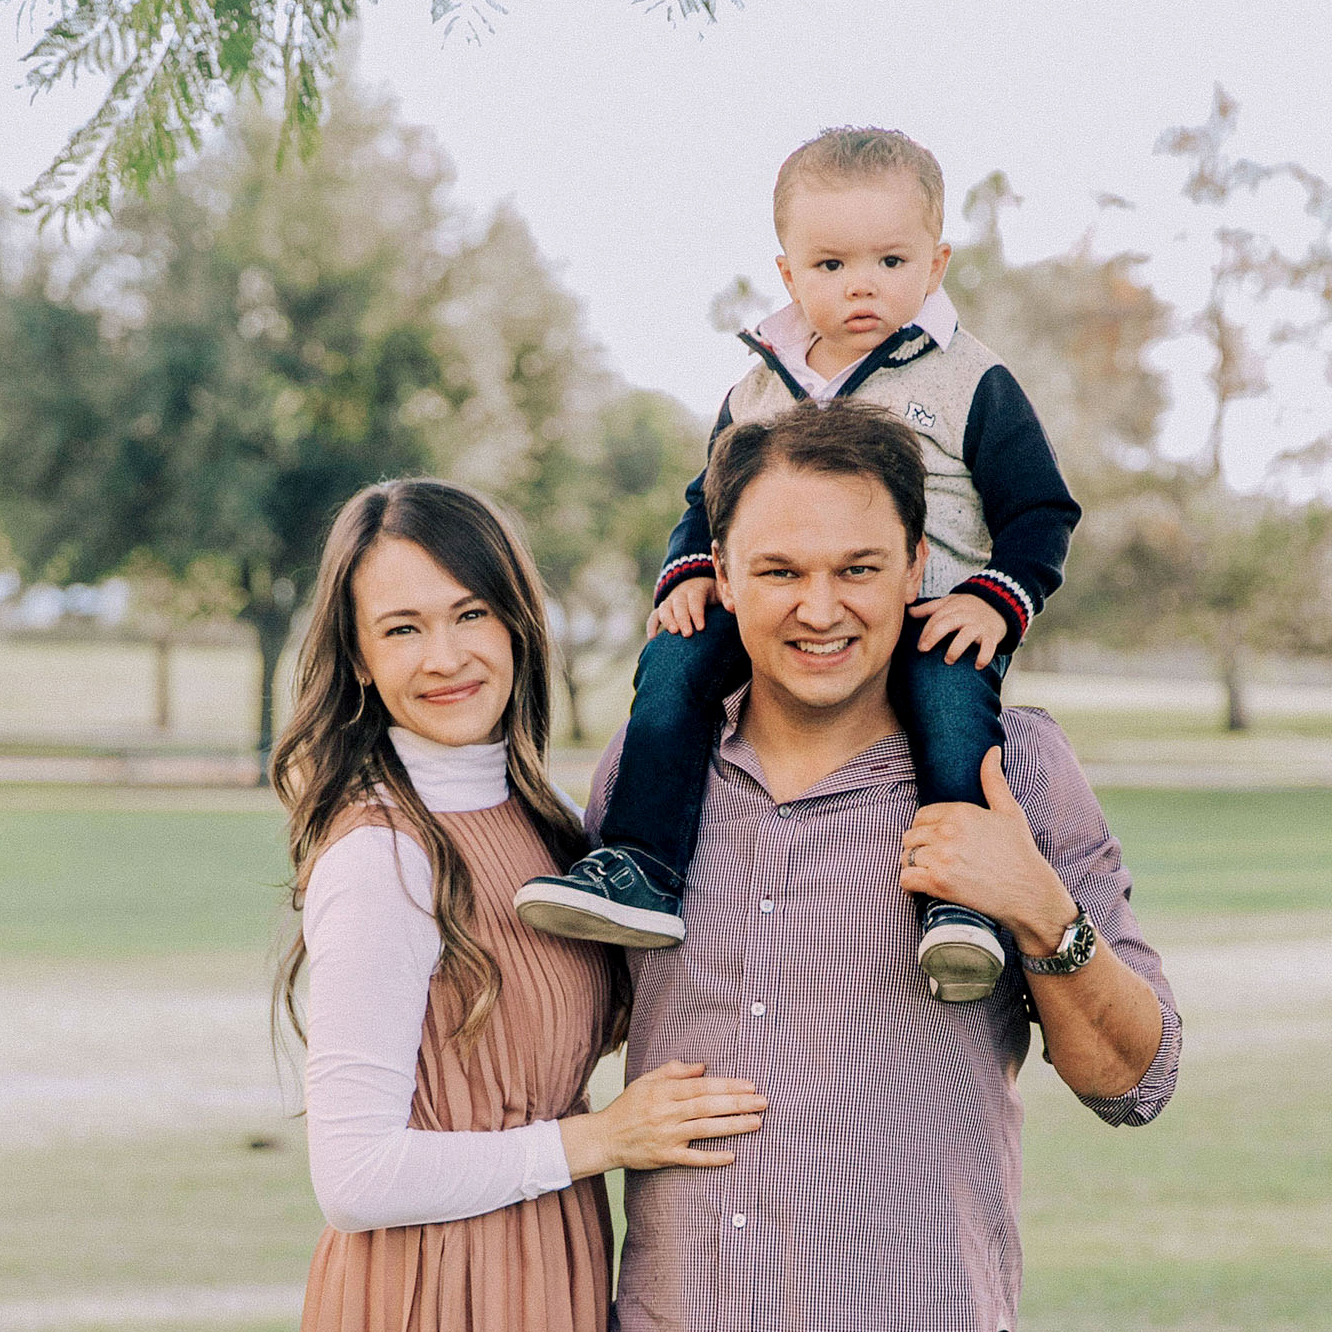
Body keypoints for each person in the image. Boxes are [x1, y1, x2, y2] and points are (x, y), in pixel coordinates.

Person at [585, 401, 1181, 1331]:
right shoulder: (644, 777)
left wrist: (1039, 910)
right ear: (724, 579)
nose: (820, 610)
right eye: (779, 570)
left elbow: (1134, 1084)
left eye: (857, 569)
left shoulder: (1012, 769)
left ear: (915, 567)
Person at [515, 126, 1082, 1002]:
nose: (861, 284)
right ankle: (641, 863)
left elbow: (1042, 509)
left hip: (933, 611)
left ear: (936, 264)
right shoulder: (757, 388)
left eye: (890, 260)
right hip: (780, 615)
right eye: (830, 265)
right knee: (674, 662)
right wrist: (693, 573)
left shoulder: (971, 380)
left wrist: (999, 601)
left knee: (949, 703)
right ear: (788, 274)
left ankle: (956, 904)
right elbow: (704, 501)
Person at [270, 478, 766, 1332]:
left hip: (551, 1264)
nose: (445, 657)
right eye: (402, 629)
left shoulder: (551, 824)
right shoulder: (382, 855)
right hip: (428, 1288)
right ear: (359, 658)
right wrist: (601, 1141)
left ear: (515, 622)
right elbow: (352, 1177)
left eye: (470, 615)